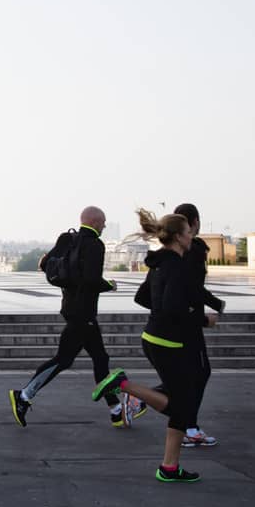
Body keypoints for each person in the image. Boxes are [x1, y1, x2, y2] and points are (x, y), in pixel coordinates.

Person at [91, 209, 219, 483]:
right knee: (181, 407)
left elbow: (144, 297)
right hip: (169, 342)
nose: (191, 236)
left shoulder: (161, 263)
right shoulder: (176, 266)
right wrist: (202, 319)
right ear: (177, 237)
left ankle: (170, 467)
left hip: (158, 338)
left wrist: (165, 311)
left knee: (182, 406)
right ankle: (123, 385)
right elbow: (173, 308)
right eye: (187, 232)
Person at [8, 206, 143, 428]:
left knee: (100, 358)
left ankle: (116, 410)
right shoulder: (94, 245)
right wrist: (109, 285)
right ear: (96, 222)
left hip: (73, 308)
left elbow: (44, 264)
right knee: (63, 359)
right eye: (103, 223)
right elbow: (91, 280)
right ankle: (23, 395)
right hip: (83, 313)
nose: (105, 226)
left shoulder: (67, 239)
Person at [174, 202, 224, 448]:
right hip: (189, 322)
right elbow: (193, 288)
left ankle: (141, 398)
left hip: (176, 323)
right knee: (199, 373)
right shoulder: (193, 250)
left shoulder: (169, 251)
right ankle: (189, 427)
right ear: (194, 222)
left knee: (189, 375)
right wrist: (204, 315)